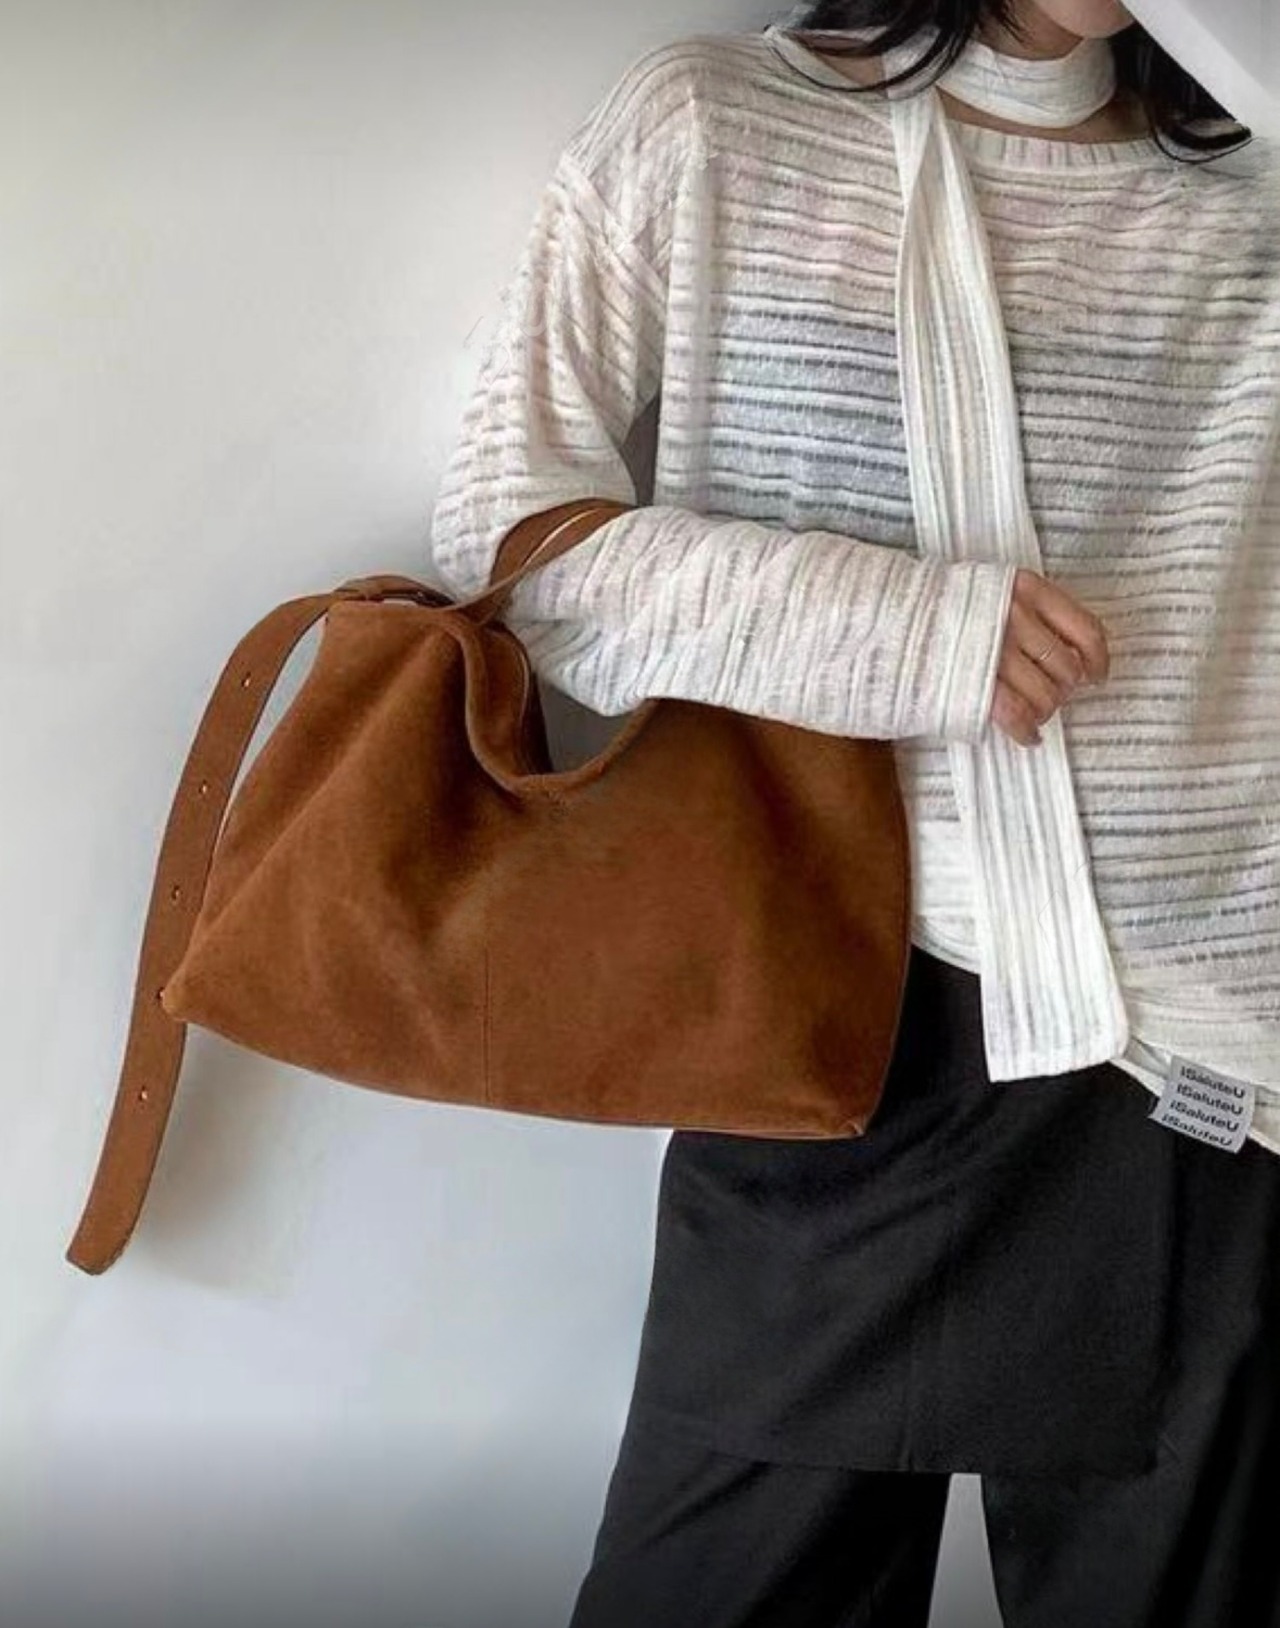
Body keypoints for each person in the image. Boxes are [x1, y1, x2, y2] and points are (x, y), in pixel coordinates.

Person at [430, 1, 1280, 1621]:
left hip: (1204, 1088)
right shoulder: (710, 125)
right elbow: (511, 544)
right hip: (844, 1044)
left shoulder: (1258, 184)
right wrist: (908, 630)